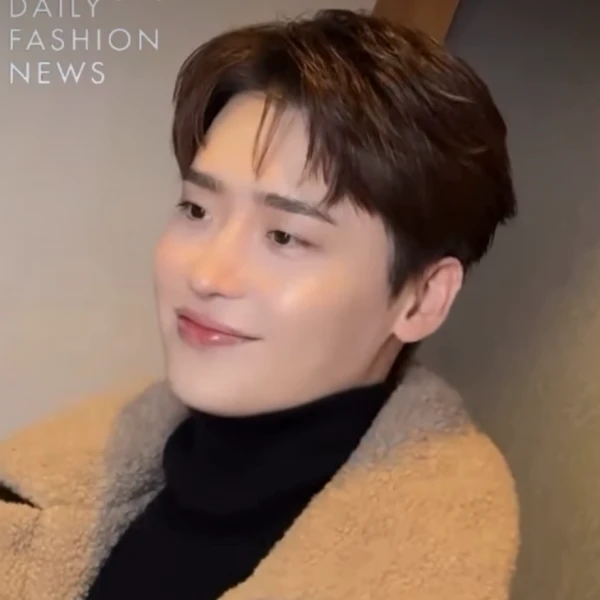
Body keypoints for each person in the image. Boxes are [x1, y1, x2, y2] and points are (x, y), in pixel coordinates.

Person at [0, 8, 519, 600]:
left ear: (423, 298)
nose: (207, 275)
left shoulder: (420, 572)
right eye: (196, 209)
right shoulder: (57, 476)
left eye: (285, 236)